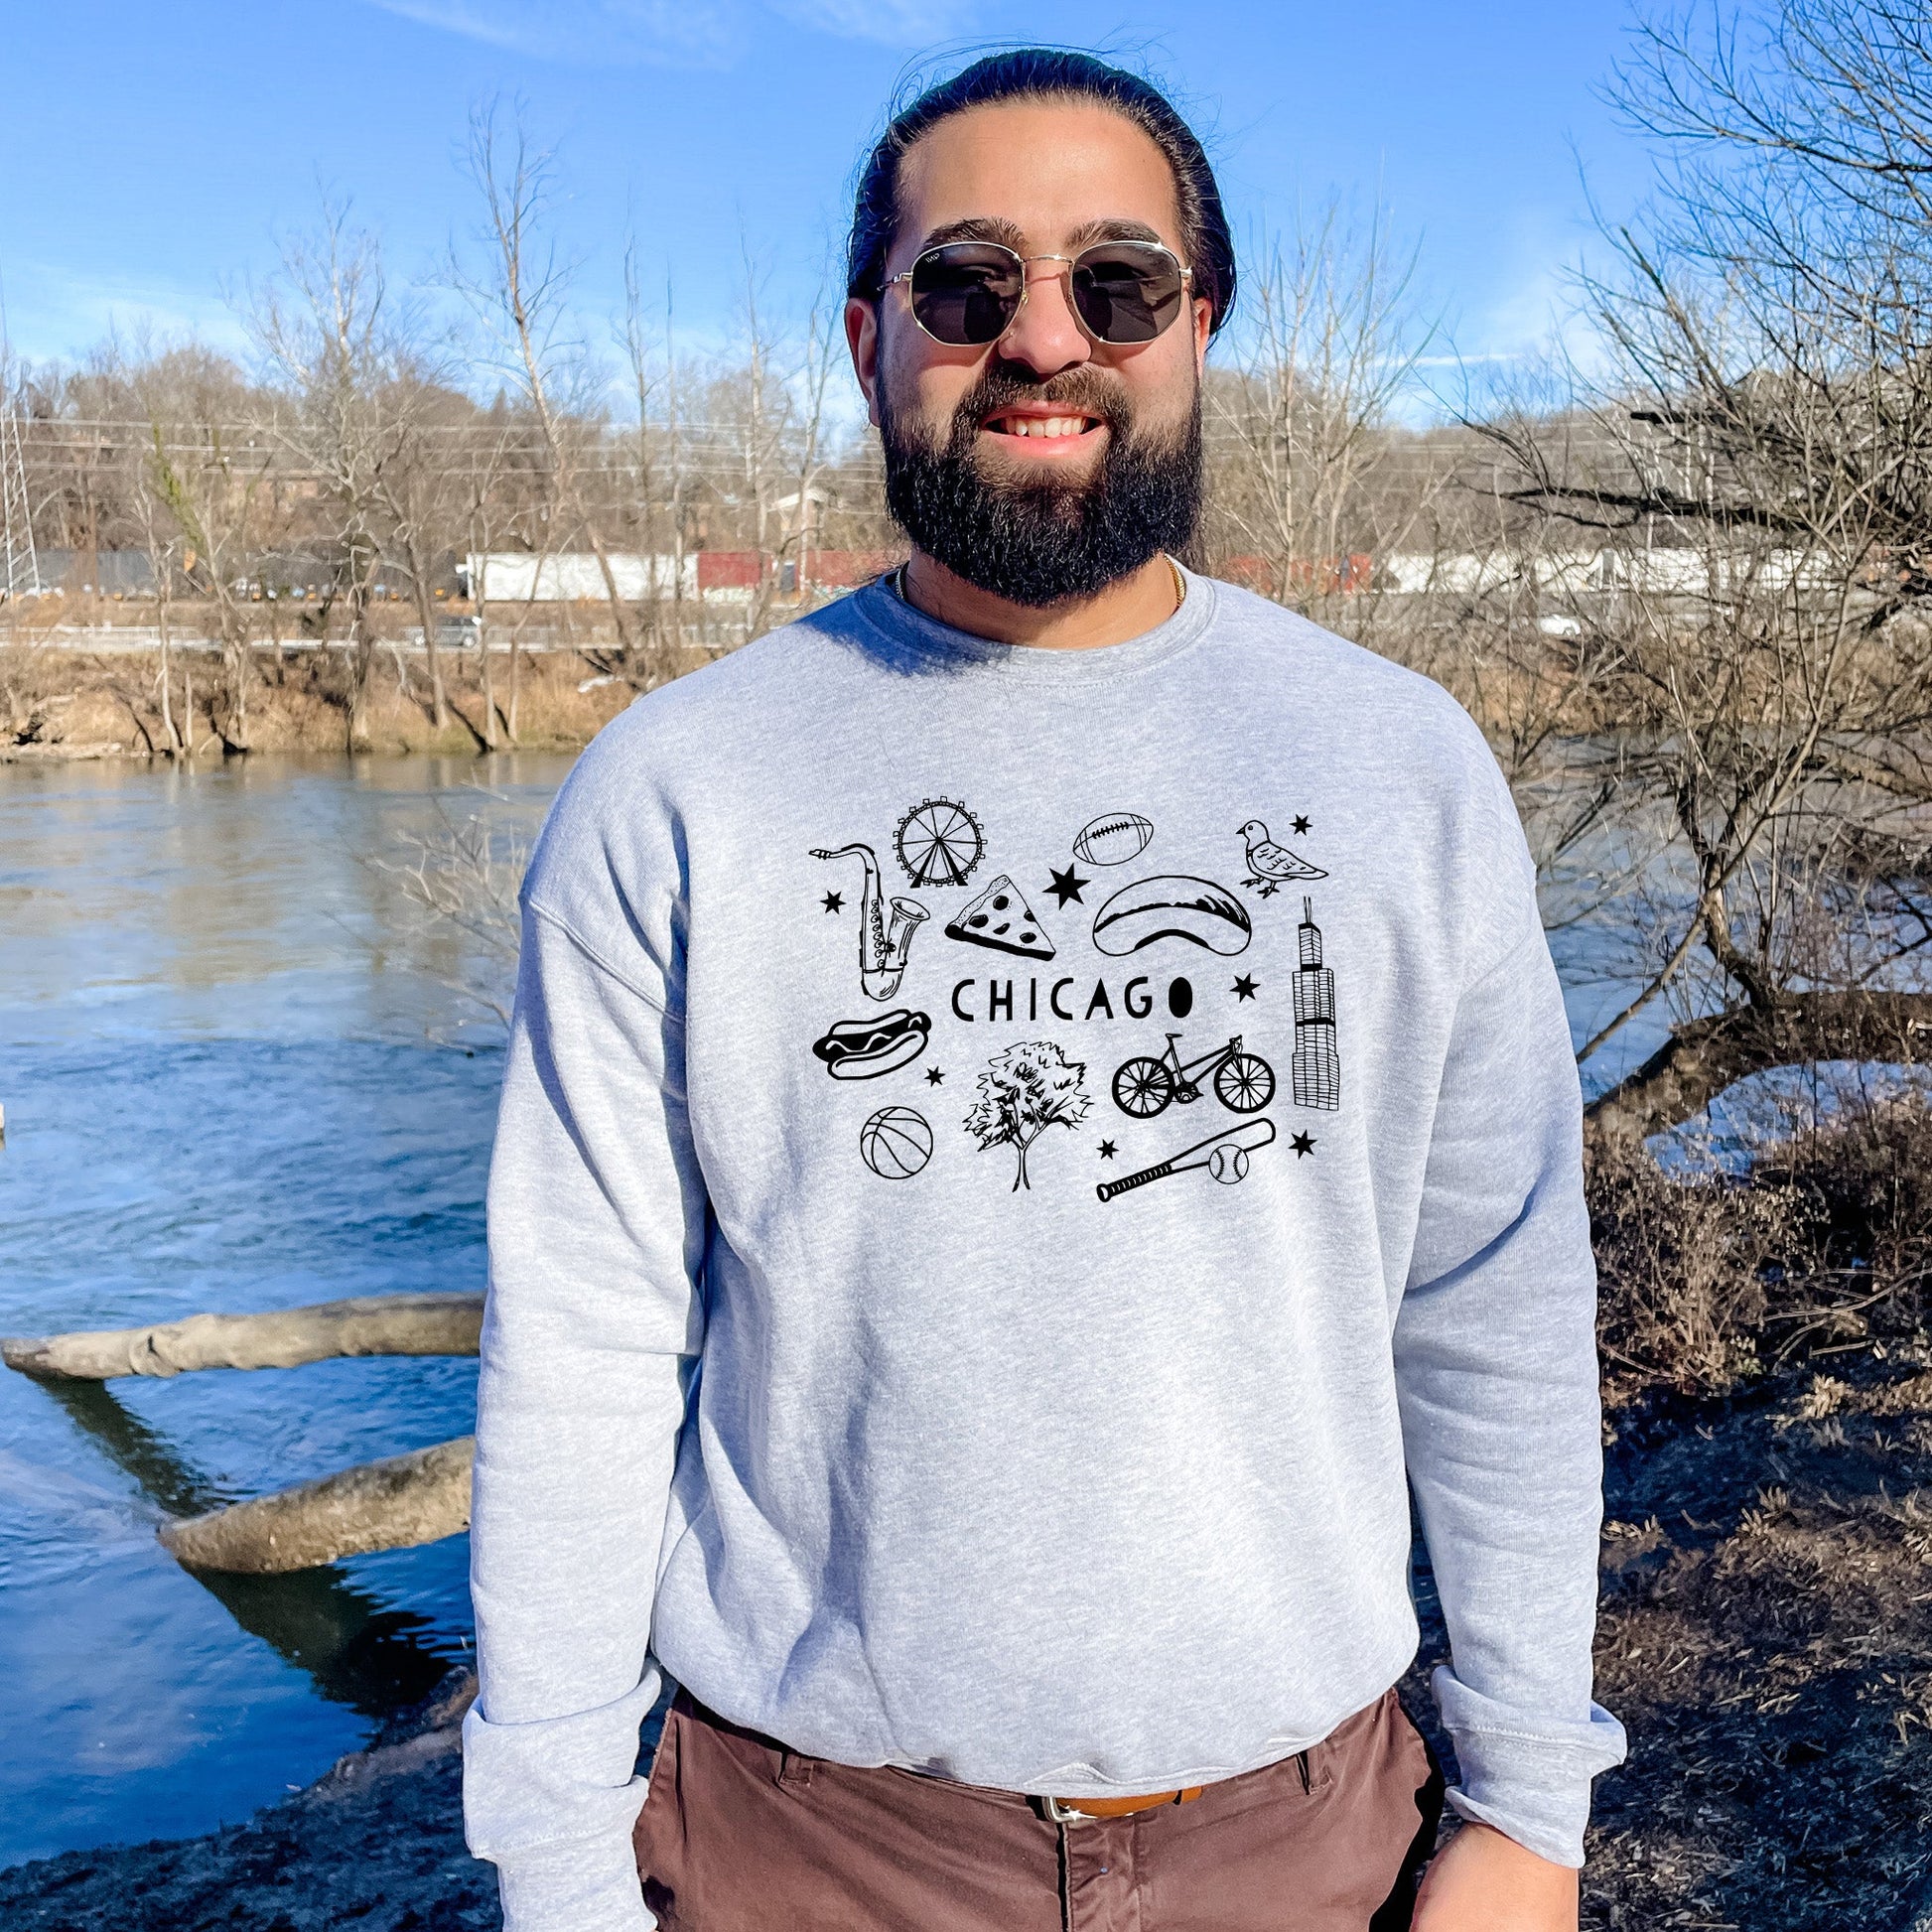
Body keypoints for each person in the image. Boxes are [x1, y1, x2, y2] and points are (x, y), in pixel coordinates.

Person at [462, 48, 1626, 1932]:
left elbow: (1491, 1304)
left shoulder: (1401, 767)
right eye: (965, 282)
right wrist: (555, 1857)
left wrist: (1528, 1805)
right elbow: (583, 1350)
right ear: (868, 338)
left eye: (1117, 282)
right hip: (801, 1849)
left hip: (1312, 1838)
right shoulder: (676, 787)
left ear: (1198, 324)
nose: (1041, 338)